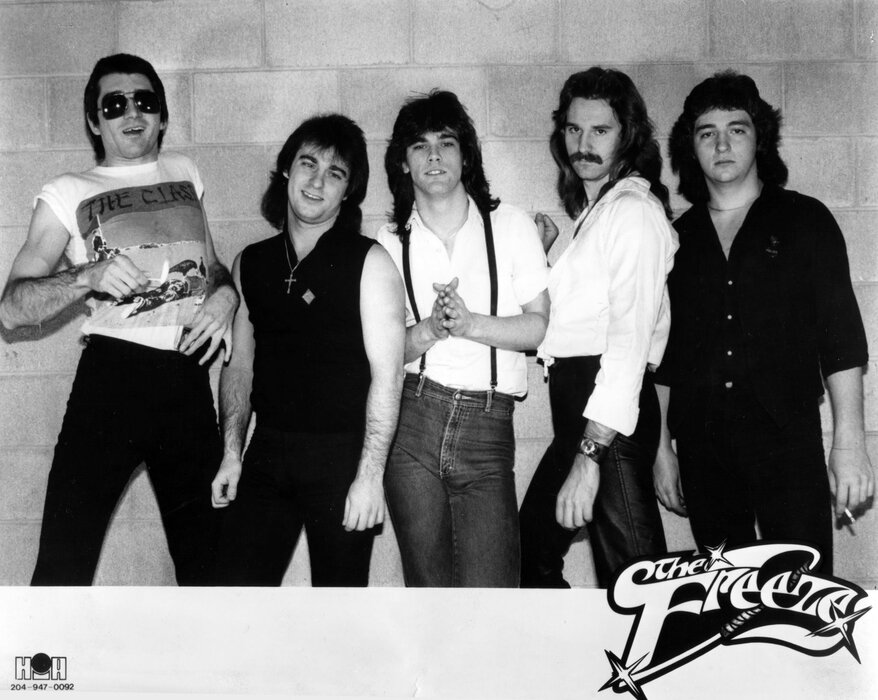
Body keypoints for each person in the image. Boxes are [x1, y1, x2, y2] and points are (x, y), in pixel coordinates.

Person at [0, 53, 238, 585]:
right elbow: (11, 309)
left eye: (145, 101)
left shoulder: (185, 172)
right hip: (111, 383)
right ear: (94, 121)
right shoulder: (66, 191)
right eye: (114, 104)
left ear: (162, 115)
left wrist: (226, 295)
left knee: (211, 570)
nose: (132, 113)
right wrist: (87, 275)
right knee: (63, 567)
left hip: (186, 380)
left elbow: (212, 265)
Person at [653, 71, 873, 574]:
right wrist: (661, 449)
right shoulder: (674, 239)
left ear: (760, 138)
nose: (722, 144)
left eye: (737, 129)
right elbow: (663, 354)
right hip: (703, 447)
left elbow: (841, 341)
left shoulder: (805, 220)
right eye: (707, 133)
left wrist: (850, 444)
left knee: (801, 593)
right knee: (722, 598)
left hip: (785, 439)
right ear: (690, 147)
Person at [210, 114, 405, 586]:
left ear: (348, 191)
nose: (317, 182)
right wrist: (232, 453)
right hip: (266, 454)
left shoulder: (370, 262)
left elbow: (389, 376)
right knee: (239, 597)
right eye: (308, 164)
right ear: (286, 169)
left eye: (334, 173)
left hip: (341, 459)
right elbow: (239, 367)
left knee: (338, 612)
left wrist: (369, 476)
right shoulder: (250, 263)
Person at [377, 90, 549, 587]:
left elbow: (539, 326)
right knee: (428, 591)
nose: (433, 156)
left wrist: (471, 323)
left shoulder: (510, 225)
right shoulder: (389, 241)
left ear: (465, 155)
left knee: (492, 594)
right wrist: (430, 330)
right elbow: (384, 353)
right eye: (419, 146)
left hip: (487, 423)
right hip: (413, 419)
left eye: (446, 143)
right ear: (403, 163)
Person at [519, 67, 677, 588]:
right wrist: (541, 261)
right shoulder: (598, 213)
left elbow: (627, 344)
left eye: (600, 130)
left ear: (627, 135)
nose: (583, 144)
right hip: (580, 416)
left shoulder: (634, 213)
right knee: (530, 552)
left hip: (607, 425)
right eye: (573, 129)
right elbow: (577, 321)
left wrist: (590, 456)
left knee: (637, 588)